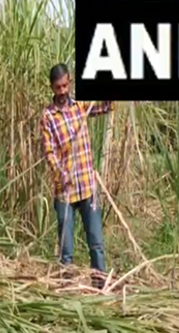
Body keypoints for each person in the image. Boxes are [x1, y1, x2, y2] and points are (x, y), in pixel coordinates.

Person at [40, 63, 113, 289]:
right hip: (65, 191)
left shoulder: (81, 105)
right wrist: (60, 174)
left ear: (69, 82)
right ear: (51, 87)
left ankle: (99, 287)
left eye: (64, 86)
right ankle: (67, 292)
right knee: (66, 250)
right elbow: (48, 151)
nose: (61, 91)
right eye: (57, 88)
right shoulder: (48, 116)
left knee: (96, 243)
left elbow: (105, 107)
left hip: (87, 187)